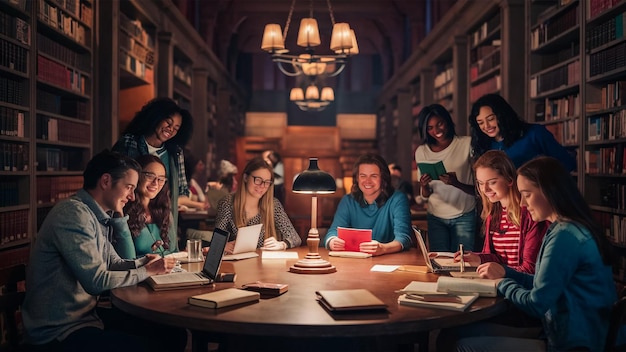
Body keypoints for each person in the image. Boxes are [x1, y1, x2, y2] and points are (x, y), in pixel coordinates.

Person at [22, 150, 184, 351]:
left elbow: (113, 263)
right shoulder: (73, 214)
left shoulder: (96, 215)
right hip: (58, 331)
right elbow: (96, 282)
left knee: (174, 333)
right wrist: (148, 271)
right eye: (129, 187)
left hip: (87, 318)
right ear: (106, 181)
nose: (132, 196)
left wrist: (143, 263)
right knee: (157, 345)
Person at [455, 156, 622, 351]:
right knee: (455, 334)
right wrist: (506, 273)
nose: (523, 203)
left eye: (527, 194)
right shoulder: (563, 228)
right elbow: (541, 281)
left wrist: (501, 282)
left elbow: (536, 304)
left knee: (463, 345)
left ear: (549, 192)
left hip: (574, 343)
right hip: (561, 332)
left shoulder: (565, 236)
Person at [112, 97, 196, 228]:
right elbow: (114, 181)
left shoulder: (175, 153)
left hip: (162, 220)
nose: (170, 129)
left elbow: (181, 190)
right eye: (168, 122)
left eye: (176, 128)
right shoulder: (129, 143)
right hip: (129, 217)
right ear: (156, 117)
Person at [414, 103, 477, 252]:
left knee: (463, 262)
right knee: (439, 262)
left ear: (447, 120)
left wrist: (456, 183)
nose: (436, 131)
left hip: (464, 214)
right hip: (436, 216)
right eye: (430, 128)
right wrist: (423, 185)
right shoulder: (421, 151)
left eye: (439, 124)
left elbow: (479, 190)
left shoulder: (466, 144)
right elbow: (425, 196)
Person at [325, 153, 412, 256]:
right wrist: (332, 241)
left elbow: (403, 238)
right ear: (357, 178)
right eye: (363, 176)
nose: (367, 181)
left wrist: (383, 248)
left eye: (373, 176)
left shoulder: (398, 199)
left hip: (388, 261)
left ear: (383, 178)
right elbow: (333, 231)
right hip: (354, 263)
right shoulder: (347, 200)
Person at [469, 93, 577, 171]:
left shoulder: (534, 133)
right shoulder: (483, 145)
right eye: (480, 122)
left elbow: (567, 163)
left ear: (502, 115)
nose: (486, 126)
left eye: (491, 119)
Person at [215, 156, 301, 253]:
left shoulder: (273, 204)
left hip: (264, 263)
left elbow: (295, 238)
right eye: (258, 180)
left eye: (267, 182)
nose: (262, 186)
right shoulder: (228, 203)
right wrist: (223, 245)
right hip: (236, 263)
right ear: (246, 178)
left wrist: (281, 244)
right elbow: (217, 239)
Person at [112, 155, 179, 259]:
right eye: (150, 176)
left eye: (161, 179)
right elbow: (127, 260)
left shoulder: (164, 211)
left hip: (168, 272)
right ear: (137, 176)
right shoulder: (123, 211)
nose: (156, 183)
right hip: (141, 273)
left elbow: (174, 251)